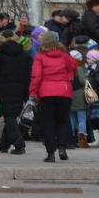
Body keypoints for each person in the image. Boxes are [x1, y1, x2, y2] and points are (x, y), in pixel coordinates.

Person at [29, 31, 75, 163]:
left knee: (48, 123)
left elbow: (36, 76)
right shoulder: (65, 56)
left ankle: (50, 153)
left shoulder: (40, 57)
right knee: (63, 121)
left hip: (46, 92)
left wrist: (33, 92)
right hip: (64, 92)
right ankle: (62, 147)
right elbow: (73, 67)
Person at [0, 29, 31, 154]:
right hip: (20, 88)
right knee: (11, 116)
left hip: (3, 89)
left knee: (9, 117)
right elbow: (28, 74)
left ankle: (19, 144)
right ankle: (3, 145)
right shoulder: (24, 54)